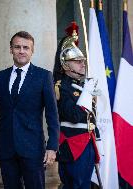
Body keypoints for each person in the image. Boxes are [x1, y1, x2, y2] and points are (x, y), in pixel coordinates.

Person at [0, 31, 60, 189]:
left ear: (32, 51)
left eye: (26, 47)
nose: (21, 51)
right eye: (17, 47)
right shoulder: (0, 77)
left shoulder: (43, 77)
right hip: (7, 147)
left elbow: (52, 115)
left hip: (33, 148)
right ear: (11, 49)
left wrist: (52, 146)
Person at [53, 22, 100, 189]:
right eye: (77, 61)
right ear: (66, 65)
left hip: (87, 142)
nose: (83, 64)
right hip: (72, 144)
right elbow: (73, 115)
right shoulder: (61, 87)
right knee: (76, 185)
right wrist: (87, 93)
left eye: (83, 60)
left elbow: (91, 118)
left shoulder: (80, 87)